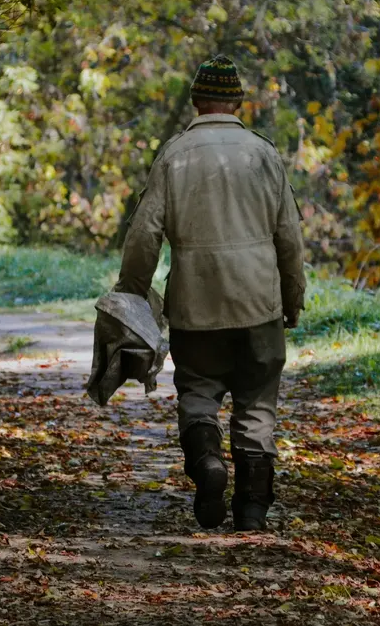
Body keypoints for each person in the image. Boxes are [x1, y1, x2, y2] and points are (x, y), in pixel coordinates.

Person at [114, 55, 306, 531]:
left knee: (198, 394)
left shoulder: (174, 154)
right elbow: (290, 237)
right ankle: (253, 511)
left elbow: (143, 235)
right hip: (259, 304)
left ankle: (208, 468)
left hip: (196, 308)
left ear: (196, 101)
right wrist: (292, 297)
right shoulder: (263, 154)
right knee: (256, 406)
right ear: (238, 103)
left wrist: (133, 294)